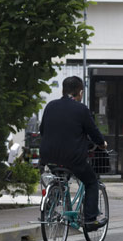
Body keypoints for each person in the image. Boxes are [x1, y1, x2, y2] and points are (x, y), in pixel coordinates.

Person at [39, 76, 108, 229]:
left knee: (60, 176)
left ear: (63, 90)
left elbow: (42, 130)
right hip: (73, 158)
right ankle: (90, 220)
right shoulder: (81, 109)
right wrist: (102, 144)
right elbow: (93, 132)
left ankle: (52, 202)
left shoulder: (50, 106)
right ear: (80, 92)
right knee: (91, 182)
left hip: (48, 156)